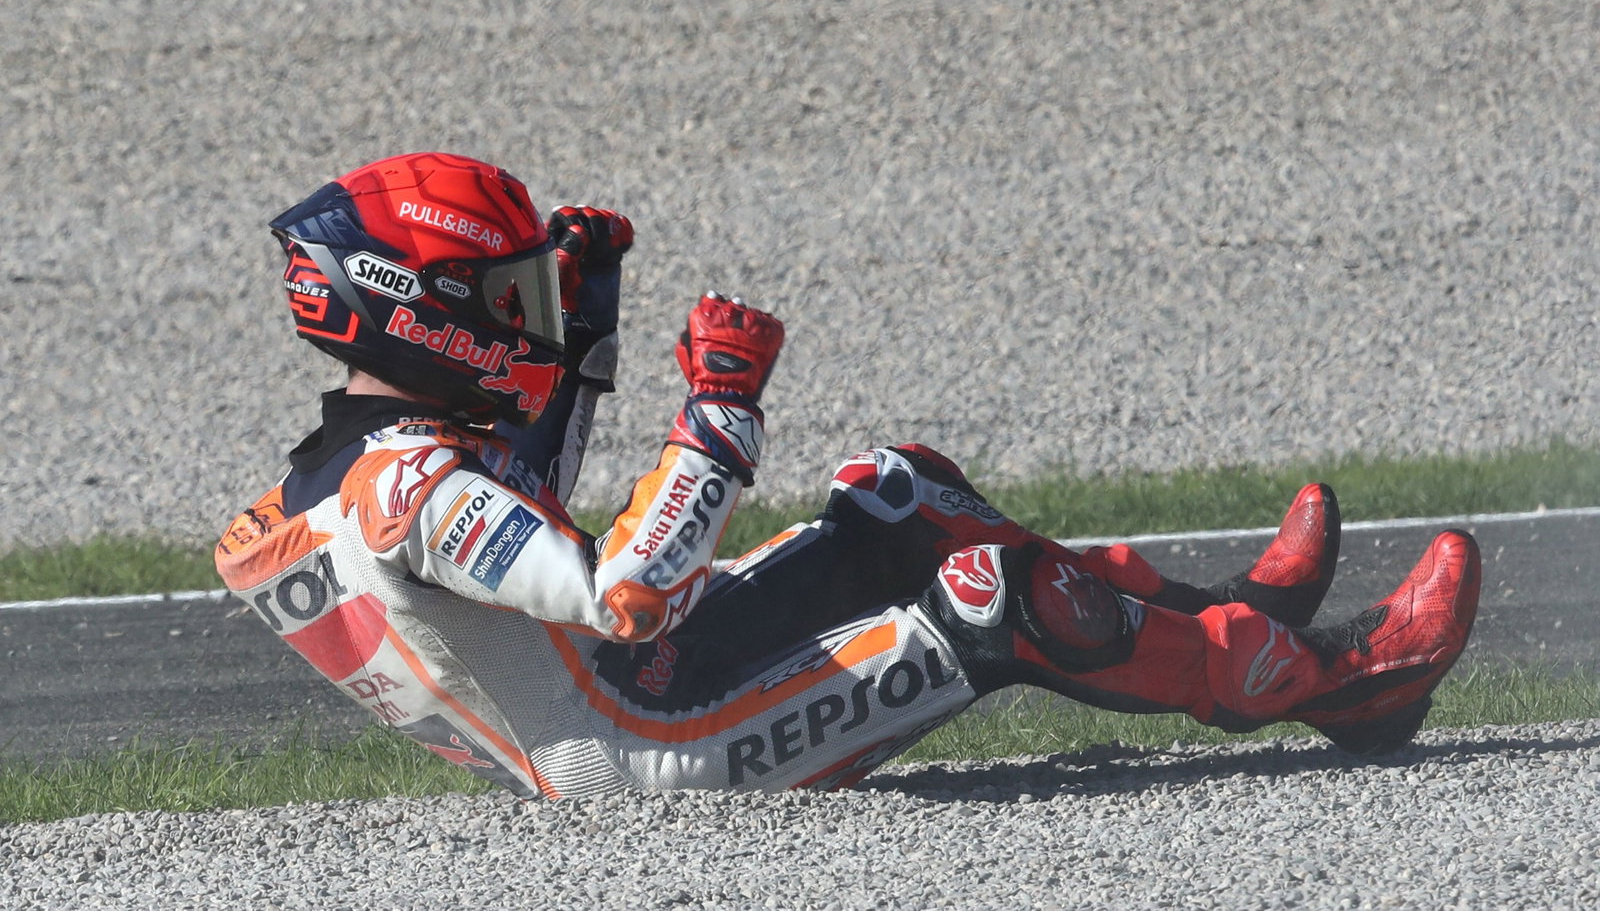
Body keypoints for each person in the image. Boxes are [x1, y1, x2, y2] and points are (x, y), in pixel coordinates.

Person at [216, 151, 1482, 797]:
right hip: (658, 752)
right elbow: (622, 593)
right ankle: (1343, 684)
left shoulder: (351, 480)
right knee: (989, 594)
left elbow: (526, 486)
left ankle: (1232, 613)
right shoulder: (410, 492)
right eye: (505, 297)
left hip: (620, 693)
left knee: (900, 488)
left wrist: (588, 311)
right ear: (415, 310)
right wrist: (720, 414)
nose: (531, 321)